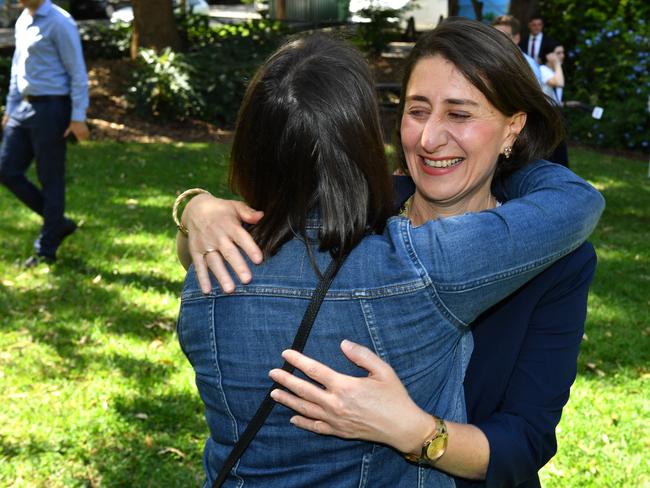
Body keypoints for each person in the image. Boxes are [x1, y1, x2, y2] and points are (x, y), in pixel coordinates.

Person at [176, 26, 603, 487]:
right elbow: (250, 260)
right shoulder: (359, 209)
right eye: (417, 111)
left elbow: (524, 442)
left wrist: (414, 432)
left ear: (513, 127)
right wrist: (194, 210)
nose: (429, 137)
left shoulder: (557, 260)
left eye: (459, 114)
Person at [0, 0, 89, 267]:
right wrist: (10, 108)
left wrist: (78, 117)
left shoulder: (60, 22)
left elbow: (77, 72)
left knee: (50, 178)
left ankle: (46, 249)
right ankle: (57, 223)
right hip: (24, 106)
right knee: (6, 170)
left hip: (53, 107)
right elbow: (18, 69)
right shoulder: (23, 20)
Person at [492, 15, 542, 86]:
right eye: (493, 35)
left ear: (516, 38)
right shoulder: (491, 58)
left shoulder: (528, 65)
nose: (496, 40)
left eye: (502, 36)